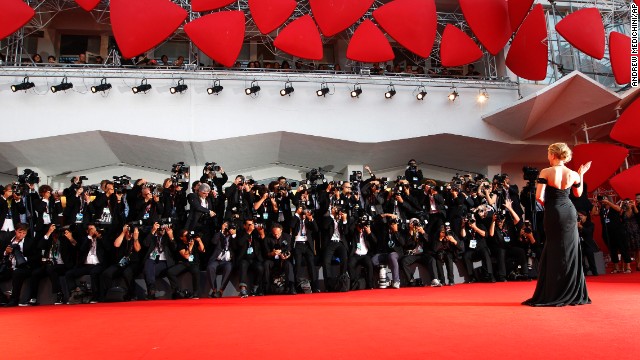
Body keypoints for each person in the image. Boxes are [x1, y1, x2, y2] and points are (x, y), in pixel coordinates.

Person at [523, 143, 591, 307]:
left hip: (553, 212)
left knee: (554, 248)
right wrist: (581, 175)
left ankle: (554, 291)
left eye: (548, 153)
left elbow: (539, 196)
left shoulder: (546, 171)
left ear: (553, 155)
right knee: (570, 249)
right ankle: (571, 291)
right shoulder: (573, 173)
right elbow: (578, 194)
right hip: (569, 211)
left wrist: (550, 205)